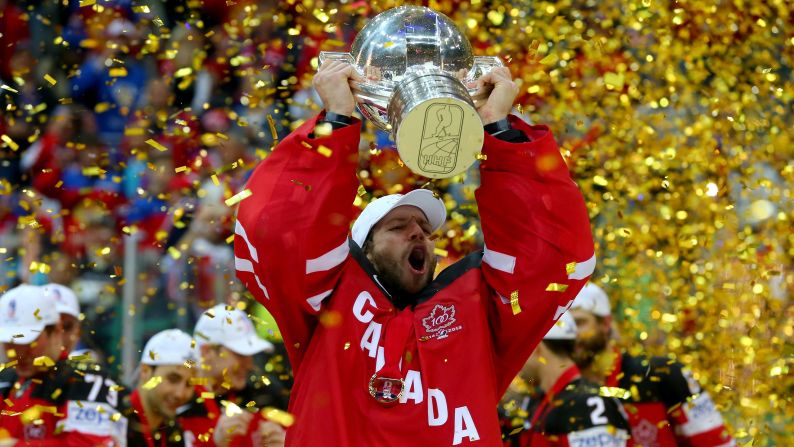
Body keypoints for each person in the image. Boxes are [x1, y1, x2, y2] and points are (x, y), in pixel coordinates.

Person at [233, 58, 596, 445]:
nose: (418, 234)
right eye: (398, 226)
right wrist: (334, 120)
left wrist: (498, 127)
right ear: (364, 249)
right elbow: (277, 231)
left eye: (425, 228)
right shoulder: (325, 302)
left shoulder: (478, 311)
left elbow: (555, 256)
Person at [569, 283, 735, 446]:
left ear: (605, 323)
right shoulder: (555, 394)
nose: (570, 334)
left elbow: (718, 443)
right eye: (562, 326)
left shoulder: (664, 375)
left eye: (579, 323)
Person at [0, 284, 127, 446]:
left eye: (29, 343)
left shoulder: (88, 381)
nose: (19, 354)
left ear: (56, 331)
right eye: (10, 343)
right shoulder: (7, 381)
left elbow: (89, 444)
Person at [501, 312, 631, 446]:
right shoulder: (541, 401)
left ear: (537, 349)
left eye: (518, 351)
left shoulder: (587, 404)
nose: (515, 363)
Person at [178, 303, 286, 447]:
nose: (249, 364)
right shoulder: (177, 404)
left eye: (250, 354)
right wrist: (214, 444)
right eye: (240, 354)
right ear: (207, 352)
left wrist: (289, 442)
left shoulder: (266, 396)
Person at [126, 328, 198, 447]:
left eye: (189, 384)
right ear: (145, 371)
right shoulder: (115, 424)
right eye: (173, 379)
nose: (180, 394)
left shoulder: (175, 433)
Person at [42, 283, 82, 357]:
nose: (60, 337)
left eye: (67, 327)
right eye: (50, 327)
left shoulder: (87, 365)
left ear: (78, 331)